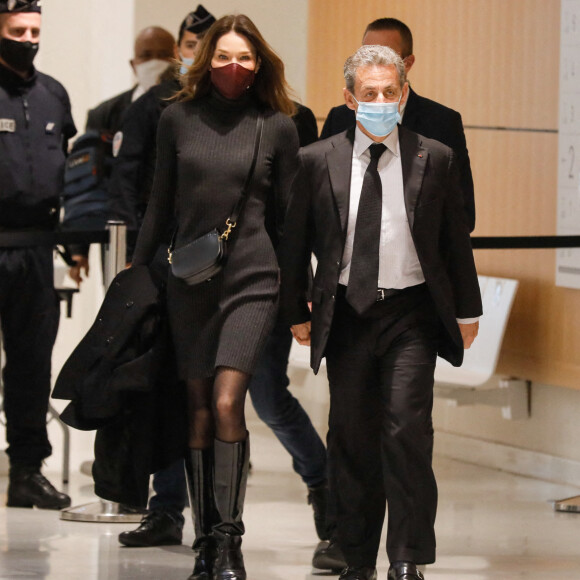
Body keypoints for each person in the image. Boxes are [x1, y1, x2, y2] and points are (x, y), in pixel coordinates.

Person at [112, 9, 328, 553]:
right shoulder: (176, 119)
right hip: (190, 279)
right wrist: (136, 278)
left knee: (231, 401)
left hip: (254, 280)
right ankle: (206, 536)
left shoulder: (276, 123)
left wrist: (298, 294)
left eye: (245, 57)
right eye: (224, 56)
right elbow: (159, 203)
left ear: (259, 65)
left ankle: (228, 539)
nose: (234, 66)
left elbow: (288, 218)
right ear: (207, 61)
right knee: (198, 407)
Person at [279, 45, 482, 580]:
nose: (380, 101)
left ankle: (407, 557)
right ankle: (356, 556)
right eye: (368, 94)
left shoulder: (432, 157)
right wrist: (293, 310)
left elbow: (454, 242)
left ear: (403, 93)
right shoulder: (317, 159)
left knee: (407, 429)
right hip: (346, 314)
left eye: (389, 92)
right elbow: (295, 243)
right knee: (350, 435)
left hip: (411, 314)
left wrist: (468, 311)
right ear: (349, 99)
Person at [111, 5, 217, 549]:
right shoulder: (156, 106)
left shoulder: (235, 109)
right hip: (161, 270)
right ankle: (166, 509)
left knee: (218, 397)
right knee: (164, 393)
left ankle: (217, 520)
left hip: (220, 273)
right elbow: (129, 188)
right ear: (179, 49)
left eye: (208, 43)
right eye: (190, 44)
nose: (196, 53)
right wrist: (138, 261)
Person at [0, 0, 76, 509]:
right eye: (17, 30)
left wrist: (72, 245)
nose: (28, 38)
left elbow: (70, 175)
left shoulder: (53, 95)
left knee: (31, 365)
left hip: (36, 248)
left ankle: (27, 470)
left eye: (34, 30)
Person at [320, 17, 475, 233]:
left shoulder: (442, 123)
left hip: (415, 260)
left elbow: (463, 214)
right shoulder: (340, 118)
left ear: (408, 63)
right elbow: (317, 204)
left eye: (386, 57)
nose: (373, 66)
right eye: (366, 56)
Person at [68, 24, 177, 284]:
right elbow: (88, 180)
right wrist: (78, 249)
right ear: (133, 63)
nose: (154, 62)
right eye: (147, 55)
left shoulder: (188, 106)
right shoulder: (106, 113)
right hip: (120, 231)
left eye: (162, 54)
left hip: (171, 231)